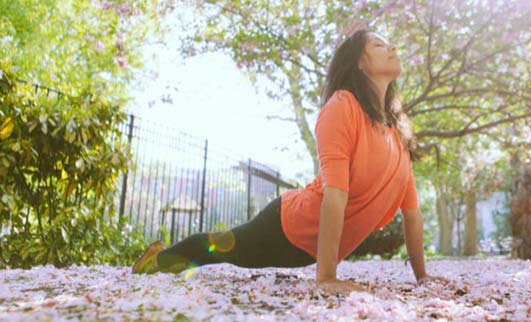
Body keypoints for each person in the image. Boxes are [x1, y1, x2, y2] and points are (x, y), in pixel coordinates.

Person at [131, 29, 448, 295]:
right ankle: (158, 260)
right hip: (287, 225)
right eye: (378, 44)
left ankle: (165, 256)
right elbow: (335, 193)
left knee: (224, 248)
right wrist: (326, 279)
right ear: (359, 65)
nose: (391, 46)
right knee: (224, 247)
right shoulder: (342, 107)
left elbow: (412, 215)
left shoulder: (398, 135)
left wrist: (422, 278)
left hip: (309, 248)